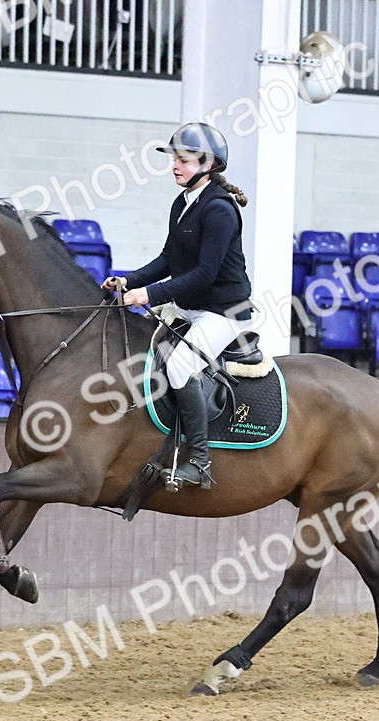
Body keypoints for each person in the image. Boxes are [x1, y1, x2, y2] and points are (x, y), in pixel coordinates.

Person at [101, 122, 253, 490]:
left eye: (183, 160)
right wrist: (128, 281)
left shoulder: (220, 210)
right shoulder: (182, 203)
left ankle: (200, 461)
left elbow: (204, 273)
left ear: (207, 164)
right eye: (175, 159)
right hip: (188, 308)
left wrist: (148, 296)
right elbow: (168, 258)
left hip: (222, 312)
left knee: (181, 365)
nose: (175, 166)